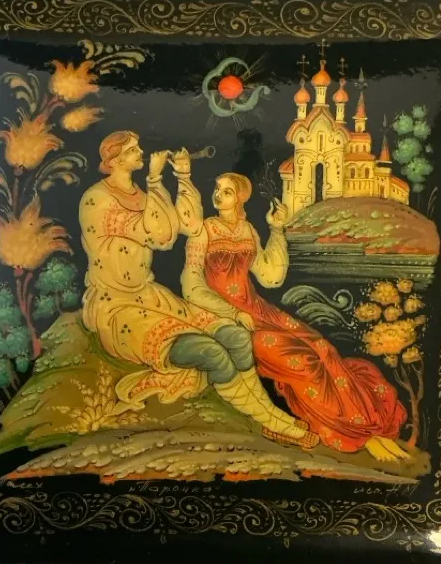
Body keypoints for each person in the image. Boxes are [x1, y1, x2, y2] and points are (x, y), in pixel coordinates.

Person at [79, 132, 316, 448]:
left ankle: (274, 419)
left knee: (237, 337)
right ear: (115, 160)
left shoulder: (143, 197)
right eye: (133, 149)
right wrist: (154, 179)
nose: (141, 152)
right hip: (117, 306)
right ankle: (274, 423)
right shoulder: (97, 199)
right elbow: (158, 234)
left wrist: (183, 174)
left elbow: (186, 225)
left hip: (152, 297)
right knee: (213, 353)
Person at [181, 172, 409, 462]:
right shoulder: (203, 231)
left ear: (240, 198)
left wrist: (276, 230)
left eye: (226, 191)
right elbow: (191, 285)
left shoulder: (247, 230)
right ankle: (352, 432)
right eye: (217, 188)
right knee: (303, 361)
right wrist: (233, 312)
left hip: (258, 310)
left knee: (321, 347)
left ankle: (366, 424)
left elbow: (271, 277)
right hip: (220, 316)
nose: (217, 195)